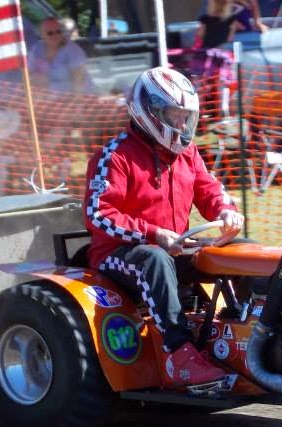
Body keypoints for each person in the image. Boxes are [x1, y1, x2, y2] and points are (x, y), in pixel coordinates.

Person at [83, 67, 244, 388]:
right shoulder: (114, 156)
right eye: (175, 115)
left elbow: (209, 189)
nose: (183, 125)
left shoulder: (187, 153)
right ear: (151, 112)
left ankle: (247, 334)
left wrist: (226, 211)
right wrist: (153, 234)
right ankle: (178, 355)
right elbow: (98, 213)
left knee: (243, 250)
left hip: (175, 247)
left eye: (187, 117)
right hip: (118, 255)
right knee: (154, 259)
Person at [28, 17, 96, 94]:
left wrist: (74, 103)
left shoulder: (73, 50)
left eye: (58, 31)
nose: (55, 35)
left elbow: (79, 82)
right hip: (47, 98)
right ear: (42, 35)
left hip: (77, 97)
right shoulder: (36, 49)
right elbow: (27, 75)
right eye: (50, 33)